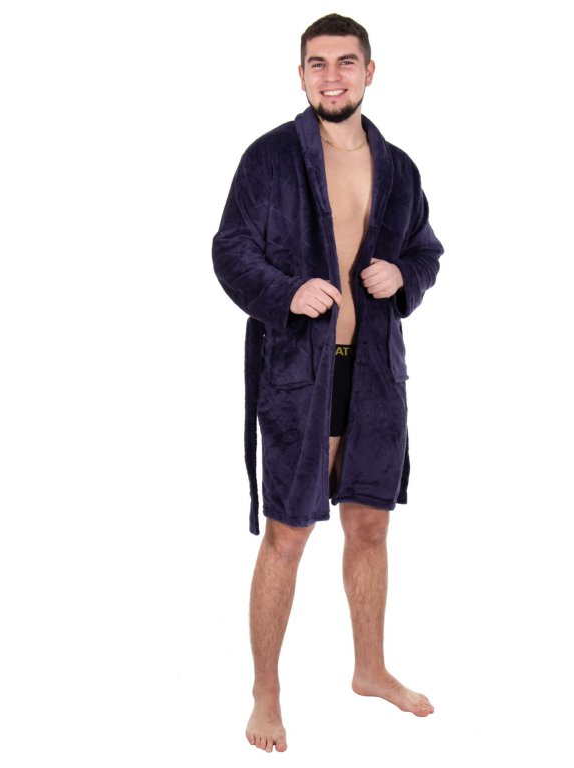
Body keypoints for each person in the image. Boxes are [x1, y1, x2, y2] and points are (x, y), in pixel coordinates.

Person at [212, 13, 443, 754]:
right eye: (318, 63)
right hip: (296, 374)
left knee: (371, 523)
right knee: (288, 532)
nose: (332, 76)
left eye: (346, 62)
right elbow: (230, 251)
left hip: (374, 374)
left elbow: (426, 251)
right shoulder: (270, 159)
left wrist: (403, 275)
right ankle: (266, 691)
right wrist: (286, 292)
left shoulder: (399, 168)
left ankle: (370, 669)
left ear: (369, 72)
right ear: (302, 74)